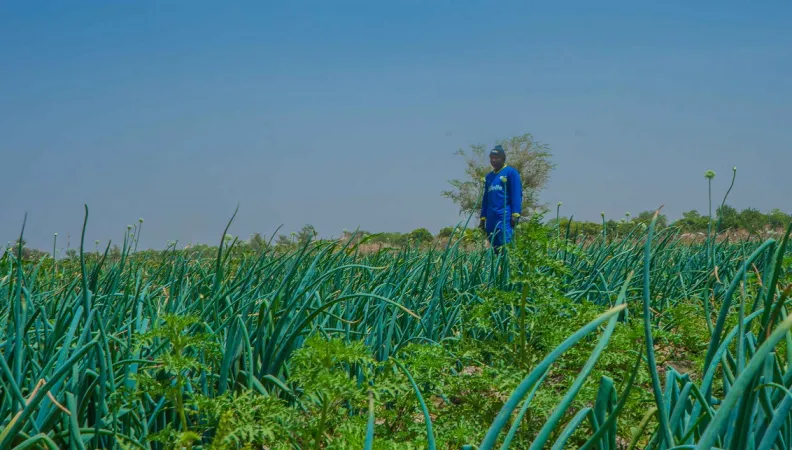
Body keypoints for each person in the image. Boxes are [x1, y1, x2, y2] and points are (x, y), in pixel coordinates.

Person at [479, 145, 522, 252]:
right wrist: (483, 218)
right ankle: (498, 268)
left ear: (503, 158)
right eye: (491, 158)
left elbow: (517, 194)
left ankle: (507, 268)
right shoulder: (489, 177)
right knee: (495, 248)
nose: (493, 160)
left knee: (506, 247)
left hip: (504, 218)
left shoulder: (511, 173)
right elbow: (485, 198)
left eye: (496, 157)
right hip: (491, 218)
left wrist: (515, 214)